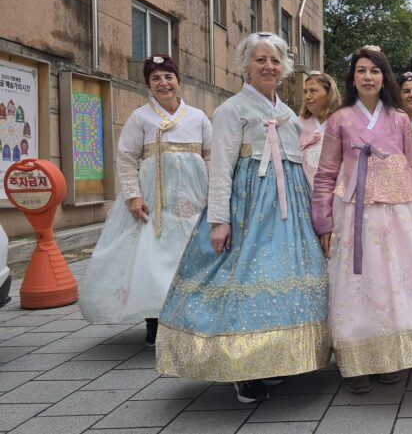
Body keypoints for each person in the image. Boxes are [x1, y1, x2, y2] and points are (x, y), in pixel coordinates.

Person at [156, 33, 330, 402]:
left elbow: (300, 170)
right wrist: (219, 220)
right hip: (249, 209)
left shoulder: (288, 116)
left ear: (284, 68)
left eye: (275, 60)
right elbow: (220, 168)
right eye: (260, 60)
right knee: (248, 278)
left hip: (290, 211)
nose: (269, 66)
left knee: (284, 279)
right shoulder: (231, 110)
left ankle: (273, 359)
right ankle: (242, 367)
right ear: (246, 65)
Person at [312, 46, 412, 394]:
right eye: (361, 71)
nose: (368, 77)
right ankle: (357, 361)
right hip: (356, 212)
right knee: (358, 284)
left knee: (398, 280)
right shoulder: (340, 119)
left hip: (402, 210)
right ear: (352, 78)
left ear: (384, 78)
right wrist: (323, 221)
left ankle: (391, 354)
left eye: (375, 71)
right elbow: (325, 173)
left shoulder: (399, 118)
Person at [79, 54, 211, 346]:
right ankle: (155, 320)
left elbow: (211, 156)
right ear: (148, 85)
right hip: (153, 202)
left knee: (190, 257)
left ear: (178, 81)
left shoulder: (198, 117)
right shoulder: (140, 117)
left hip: (193, 200)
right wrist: (133, 196)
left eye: (168, 77)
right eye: (156, 78)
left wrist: (213, 194)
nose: (163, 83)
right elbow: (126, 158)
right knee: (151, 259)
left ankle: (191, 319)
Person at [299, 71, 342, 185]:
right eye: (305, 91)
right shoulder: (297, 123)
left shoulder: (342, 122)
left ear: (329, 93)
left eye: (313, 91)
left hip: (333, 188)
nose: (307, 96)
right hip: (302, 189)